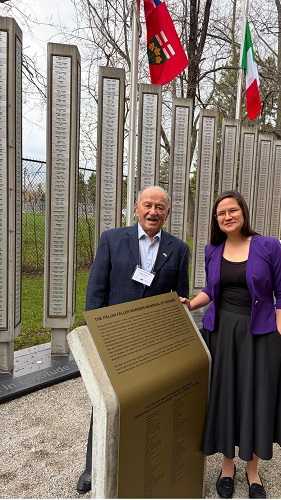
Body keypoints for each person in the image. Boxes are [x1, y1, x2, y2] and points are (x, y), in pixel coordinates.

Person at [77, 185, 190, 494]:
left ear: (167, 213)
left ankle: (138, 461)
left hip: (154, 342)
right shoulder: (112, 239)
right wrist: (94, 336)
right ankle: (92, 466)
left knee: (147, 402)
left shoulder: (179, 249)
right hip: (115, 338)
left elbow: (178, 298)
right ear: (137, 207)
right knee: (107, 402)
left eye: (160, 207)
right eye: (148, 205)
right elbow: (96, 288)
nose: (153, 212)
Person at [180, 190, 281, 499]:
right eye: (221, 213)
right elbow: (211, 289)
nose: (227, 216)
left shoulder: (269, 246)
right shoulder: (213, 249)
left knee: (252, 396)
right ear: (216, 219)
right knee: (224, 397)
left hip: (257, 334)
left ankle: (252, 470)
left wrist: (279, 330)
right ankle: (227, 466)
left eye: (232, 210)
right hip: (221, 333)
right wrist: (189, 304)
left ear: (243, 212)